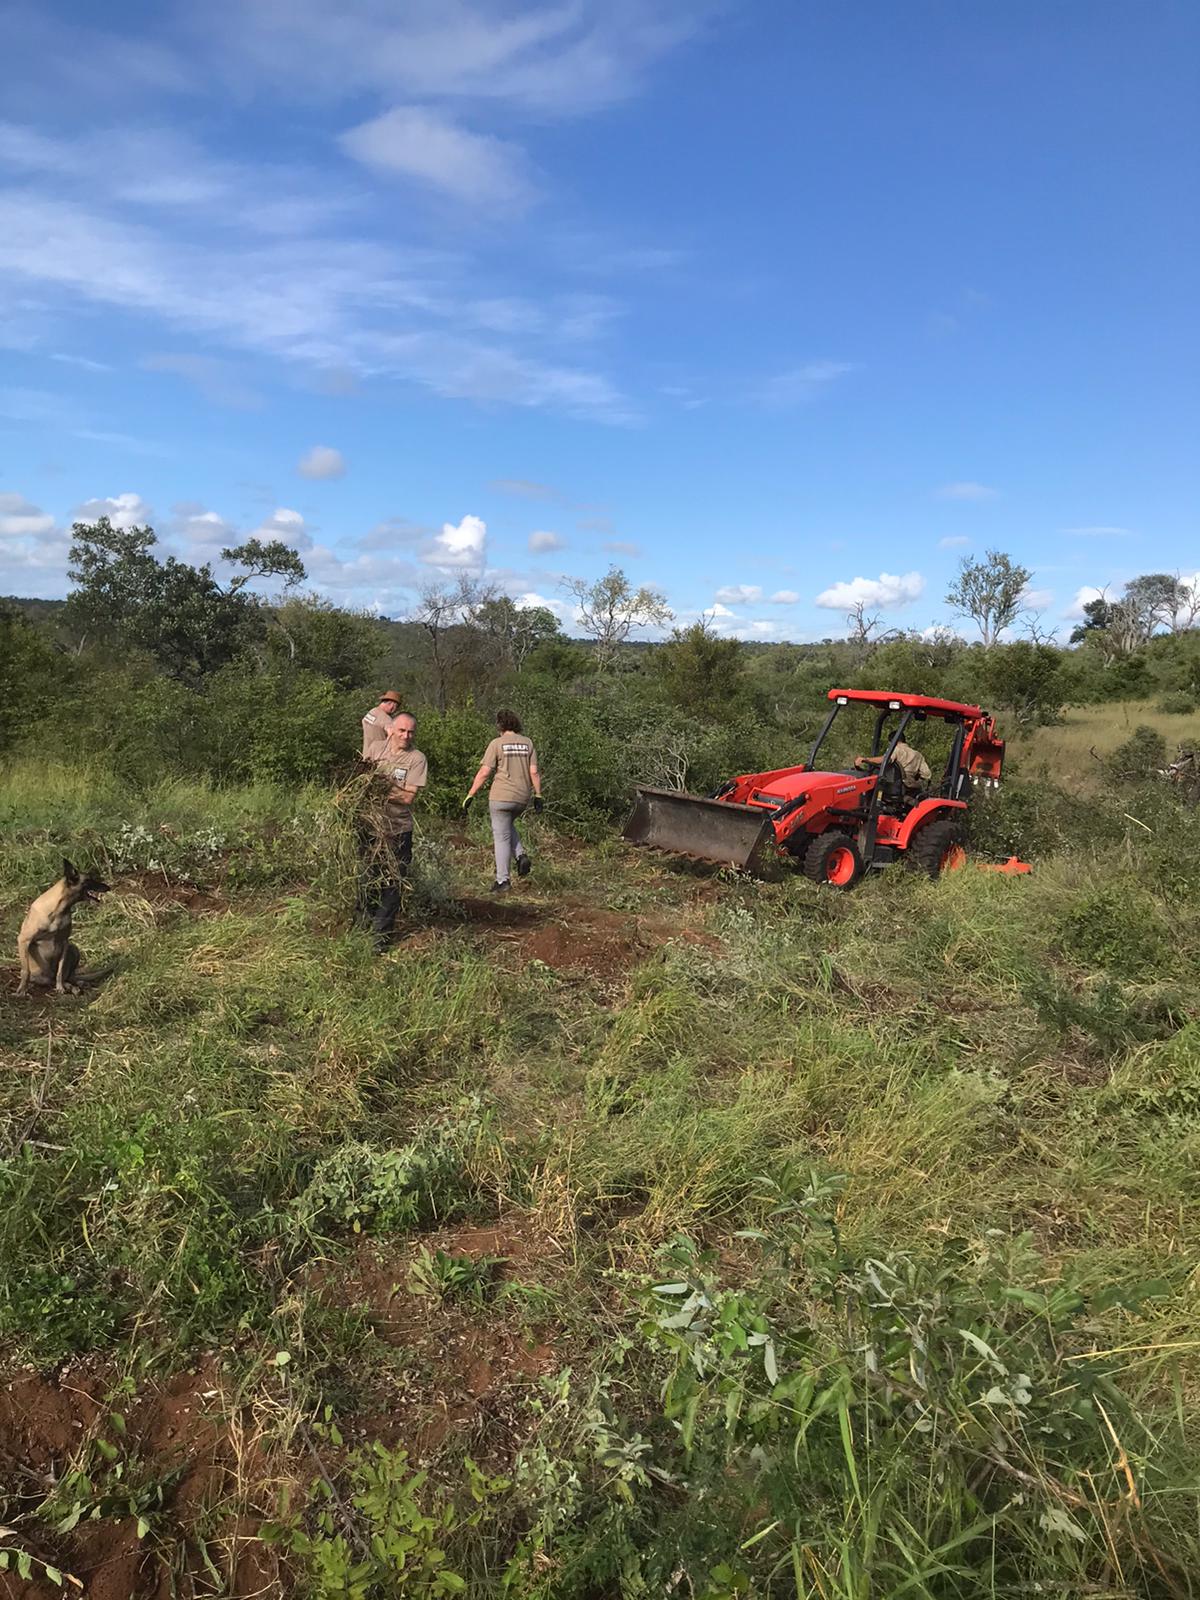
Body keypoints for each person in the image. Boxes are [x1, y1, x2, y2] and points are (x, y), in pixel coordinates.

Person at [359, 711, 428, 950]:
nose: (406, 736)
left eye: (410, 732)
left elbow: (408, 796)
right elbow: (360, 781)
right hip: (371, 825)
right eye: (402, 730)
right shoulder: (376, 749)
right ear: (392, 730)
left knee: (393, 882)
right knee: (368, 877)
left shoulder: (417, 759)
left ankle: (381, 937)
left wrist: (380, 791)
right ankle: (363, 926)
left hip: (398, 829)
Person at [461, 710, 542, 894]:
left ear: (500, 725)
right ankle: (520, 855)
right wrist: (538, 795)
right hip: (522, 797)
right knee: (506, 827)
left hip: (501, 796)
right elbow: (534, 772)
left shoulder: (496, 744)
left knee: (501, 837)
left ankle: (502, 880)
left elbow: (484, 772)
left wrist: (470, 794)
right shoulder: (527, 743)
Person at [854, 735, 931, 797]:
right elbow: (926, 774)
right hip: (910, 787)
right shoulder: (918, 755)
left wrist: (865, 759)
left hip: (895, 787)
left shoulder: (896, 749)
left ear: (892, 741)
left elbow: (885, 760)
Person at [361, 690, 402, 763]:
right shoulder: (386, 719)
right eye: (396, 707)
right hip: (378, 760)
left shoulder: (371, 712)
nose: (395, 710)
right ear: (392, 705)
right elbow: (392, 735)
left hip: (366, 756)